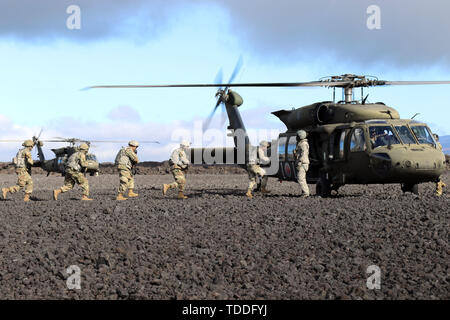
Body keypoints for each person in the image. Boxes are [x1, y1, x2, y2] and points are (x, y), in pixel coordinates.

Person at [293, 130, 310, 197]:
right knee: (302, 178)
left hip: (302, 163)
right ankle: (305, 192)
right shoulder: (301, 143)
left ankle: (306, 193)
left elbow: (303, 154)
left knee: (301, 178)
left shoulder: (303, 144)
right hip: (303, 163)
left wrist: (299, 162)